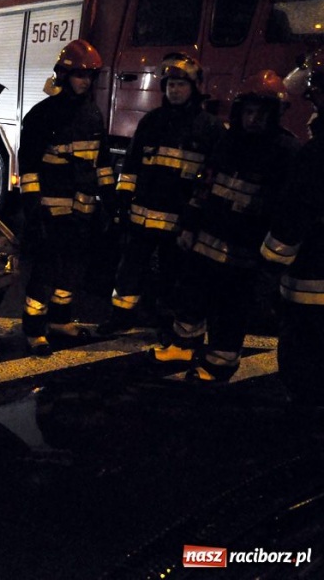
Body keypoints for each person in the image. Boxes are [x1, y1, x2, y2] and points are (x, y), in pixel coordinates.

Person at [149, 70, 300, 382]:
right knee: (191, 293)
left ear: (274, 114)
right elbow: (203, 187)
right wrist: (188, 227)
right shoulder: (228, 141)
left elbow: (285, 208)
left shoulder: (286, 152)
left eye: (261, 113)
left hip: (244, 248)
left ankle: (220, 363)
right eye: (249, 112)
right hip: (208, 237)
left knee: (230, 307)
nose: (253, 119)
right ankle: (183, 346)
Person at [97, 52, 225, 336]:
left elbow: (209, 179)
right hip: (142, 216)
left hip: (179, 221)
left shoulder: (210, 128)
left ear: (194, 88)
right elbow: (131, 165)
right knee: (129, 270)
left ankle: (168, 324)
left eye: (181, 85)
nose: (174, 90)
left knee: (174, 274)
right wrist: (122, 203)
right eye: (170, 85)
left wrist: (192, 221)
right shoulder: (151, 122)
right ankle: (121, 317)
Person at [18, 39, 114, 355]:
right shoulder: (41, 115)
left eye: (89, 76)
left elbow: (101, 163)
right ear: (63, 75)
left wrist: (110, 200)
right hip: (50, 210)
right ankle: (34, 328)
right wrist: (33, 209)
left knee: (73, 268)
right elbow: (28, 168)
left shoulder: (93, 115)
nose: (84, 81)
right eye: (79, 75)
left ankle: (59, 320)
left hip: (82, 209)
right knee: (45, 270)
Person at [261, 48, 324, 410]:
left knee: (305, 354)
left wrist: (270, 263)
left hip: (312, 279)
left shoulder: (314, 154)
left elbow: (293, 215)